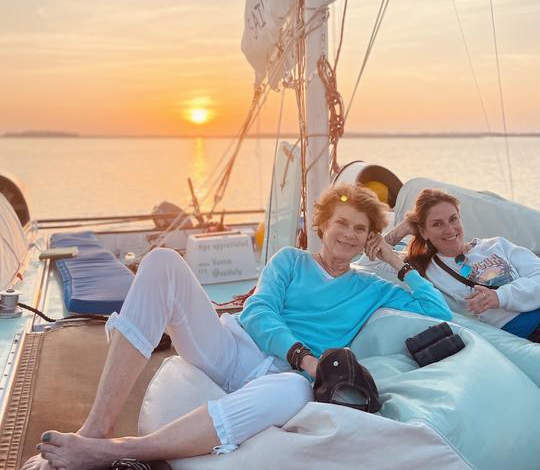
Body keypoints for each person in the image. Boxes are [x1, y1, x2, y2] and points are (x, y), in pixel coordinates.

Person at [24, 183, 452, 470]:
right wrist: (303, 357)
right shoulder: (290, 260)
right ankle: (97, 426)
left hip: (285, 380)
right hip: (241, 352)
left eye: (361, 230)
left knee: (293, 390)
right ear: (322, 225)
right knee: (162, 262)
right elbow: (260, 312)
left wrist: (395, 261)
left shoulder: (371, 286)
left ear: (369, 239)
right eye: (342, 223)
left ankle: (120, 450)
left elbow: (439, 312)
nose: (349, 234)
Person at [385, 188, 540, 342]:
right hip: (526, 332)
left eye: (453, 219)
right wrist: (404, 228)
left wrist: (501, 296)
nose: (449, 229)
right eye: (437, 224)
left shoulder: (496, 245)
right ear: (423, 231)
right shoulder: (427, 269)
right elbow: (368, 263)